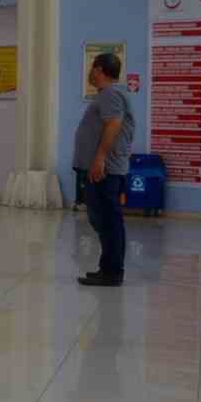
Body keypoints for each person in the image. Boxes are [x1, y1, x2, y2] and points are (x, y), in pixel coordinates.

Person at [73, 52, 135, 287]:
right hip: (102, 169)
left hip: (105, 170)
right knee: (104, 220)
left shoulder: (110, 94)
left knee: (108, 220)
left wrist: (99, 158)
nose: (90, 72)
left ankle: (112, 272)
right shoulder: (108, 95)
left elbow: (114, 124)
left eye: (92, 68)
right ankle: (107, 268)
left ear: (99, 70)